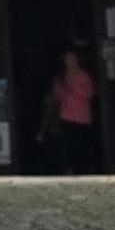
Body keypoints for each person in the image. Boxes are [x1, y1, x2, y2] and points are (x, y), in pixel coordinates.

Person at [39, 43, 104, 174]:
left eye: (72, 58)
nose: (70, 61)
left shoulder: (83, 76)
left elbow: (89, 93)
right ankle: (71, 170)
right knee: (69, 145)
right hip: (66, 116)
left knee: (82, 145)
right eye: (67, 59)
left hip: (82, 117)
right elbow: (58, 97)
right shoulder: (62, 76)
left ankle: (84, 169)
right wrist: (57, 90)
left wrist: (71, 89)